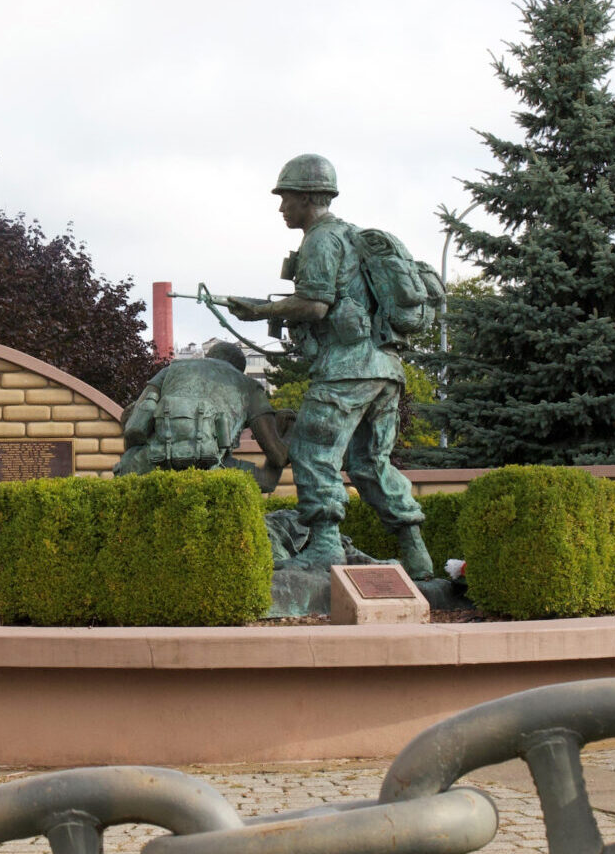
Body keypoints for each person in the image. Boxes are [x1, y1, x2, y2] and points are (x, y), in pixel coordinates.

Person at [225, 155, 433, 578]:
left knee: (309, 451)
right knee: (369, 463)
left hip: (347, 369)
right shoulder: (354, 237)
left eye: (285, 198)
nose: (281, 208)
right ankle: (418, 557)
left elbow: (315, 304)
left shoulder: (321, 239)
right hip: (385, 369)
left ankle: (324, 548)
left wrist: (259, 309)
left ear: (306, 197)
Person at [114, 340, 290, 491]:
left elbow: (135, 428)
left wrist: (133, 457)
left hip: (153, 461)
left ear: (208, 357)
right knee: (267, 480)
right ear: (240, 369)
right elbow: (278, 456)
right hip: (211, 467)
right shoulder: (250, 387)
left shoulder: (170, 370)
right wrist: (287, 430)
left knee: (129, 464)